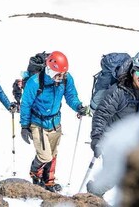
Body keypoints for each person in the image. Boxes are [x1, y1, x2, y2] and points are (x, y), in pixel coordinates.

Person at [86, 50, 139, 196]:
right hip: (111, 139)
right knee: (114, 176)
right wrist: (96, 138)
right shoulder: (118, 91)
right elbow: (102, 114)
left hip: (131, 141)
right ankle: (93, 195)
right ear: (133, 71)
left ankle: (96, 192)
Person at [19, 50, 89, 192]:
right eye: (58, 74)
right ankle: (35, 174)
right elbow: (25, 104)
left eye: (63, 73)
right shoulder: (34, 82)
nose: (61, 77)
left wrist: (78, 107)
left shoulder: (66, 79)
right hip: (37, 122)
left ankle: (49, 181)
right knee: (45, 156)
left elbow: (71, 95)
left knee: (53, 154)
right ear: (49, 69)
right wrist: (25, 126)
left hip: (55, 122)